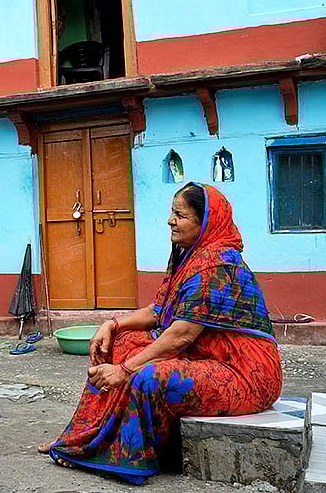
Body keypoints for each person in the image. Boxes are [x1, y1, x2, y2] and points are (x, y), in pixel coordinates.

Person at [39, 182, 282, 484]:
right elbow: (160, 310)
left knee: (147, 376)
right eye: (172, 212)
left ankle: (120, 453)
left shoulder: (218, 265)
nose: (171, 220)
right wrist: (111, 325)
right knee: (123, 341)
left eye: (180, 215)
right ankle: (83, 436)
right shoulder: (191, 257)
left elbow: (181, 335)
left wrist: (124, 370)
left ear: (205, 221)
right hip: (207, 359)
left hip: (245, 375)